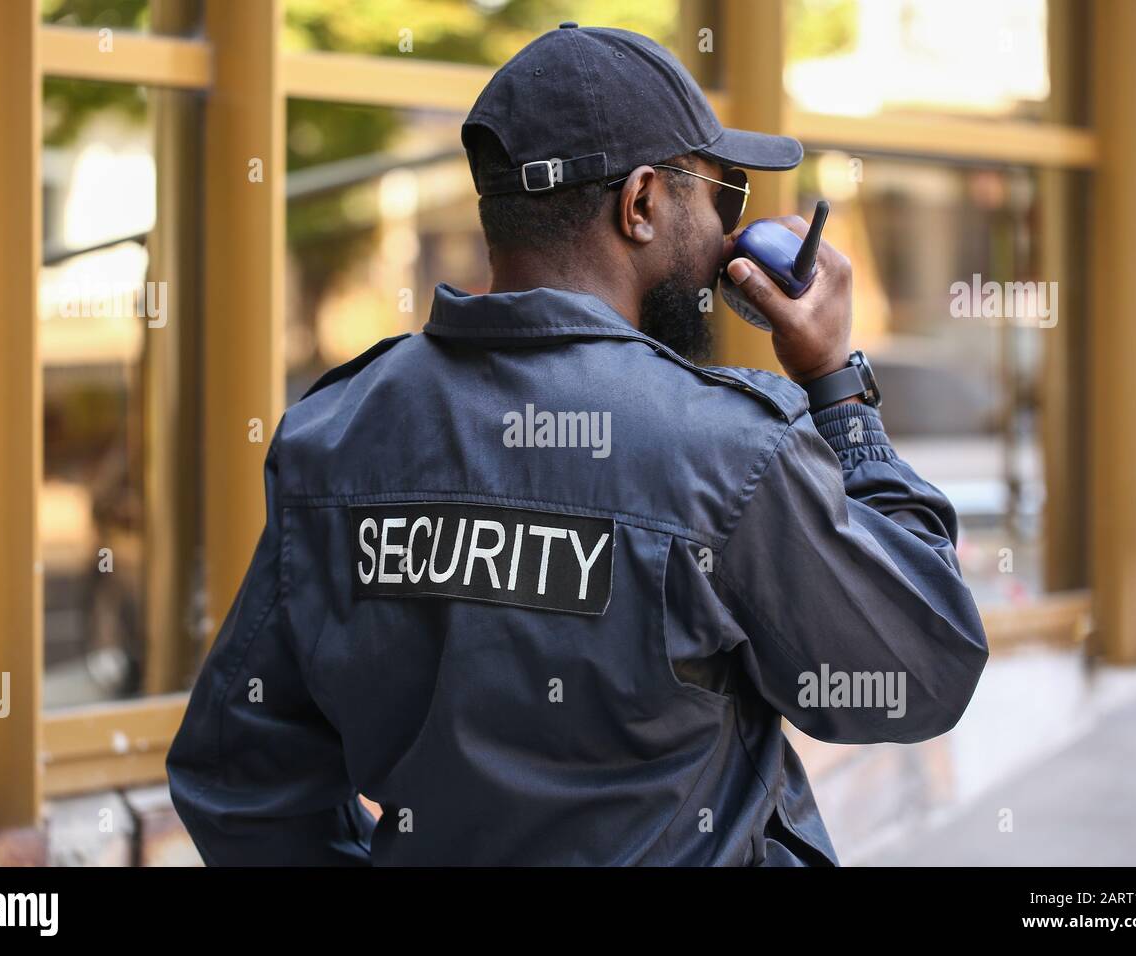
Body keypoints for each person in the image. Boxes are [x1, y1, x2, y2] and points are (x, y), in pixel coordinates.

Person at [167, 23, 988, 866]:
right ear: (640, 205)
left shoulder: (335, 435)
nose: (726, 239)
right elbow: (923, 669)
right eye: (722, 196)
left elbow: (240, 775)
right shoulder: (727, 453)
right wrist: (838, 387)